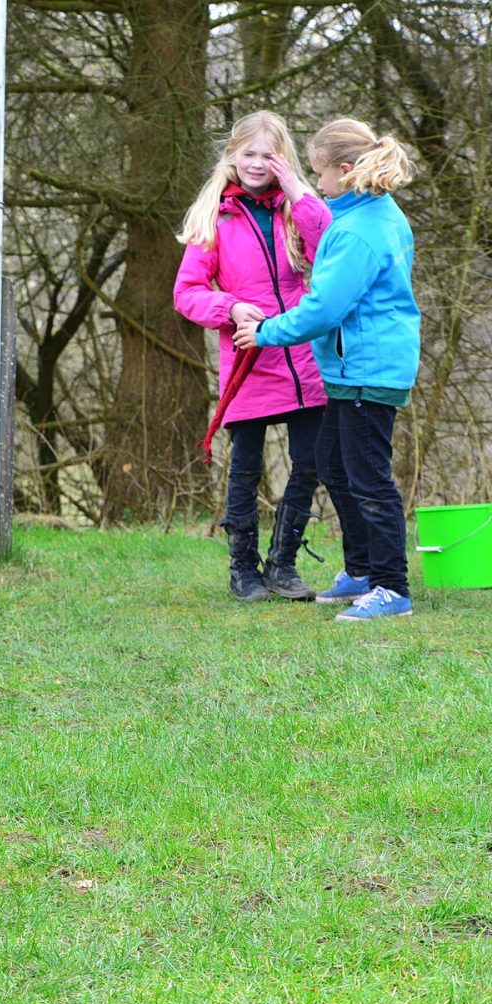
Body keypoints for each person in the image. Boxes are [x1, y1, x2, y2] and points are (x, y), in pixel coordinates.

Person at [235, 118, 420, 621]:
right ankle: (360, 570)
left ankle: (392, 587)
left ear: (345, 169)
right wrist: (298, 193)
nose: (317, 183)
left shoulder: (360, 232)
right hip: (349, 368)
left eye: (320, 173)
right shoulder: (370, 212)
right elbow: (326, 225)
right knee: (334, 465)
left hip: (368, 371)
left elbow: (323, 309)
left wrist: (266, 331)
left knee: (369, 478)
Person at [175, 110, 331, 603]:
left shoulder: (297, 210)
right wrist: (230, 306)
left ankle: (283, 565)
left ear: (284, 160)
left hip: (302, 358)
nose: (258, 163)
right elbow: (187, 293)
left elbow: (329, 247)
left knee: (310, 463)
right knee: (244, 468)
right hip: (248, 361)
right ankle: (243, 568)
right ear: (232, 156)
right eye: (249, 153)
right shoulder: (214, 218)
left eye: (269, 155)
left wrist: (299, 193)